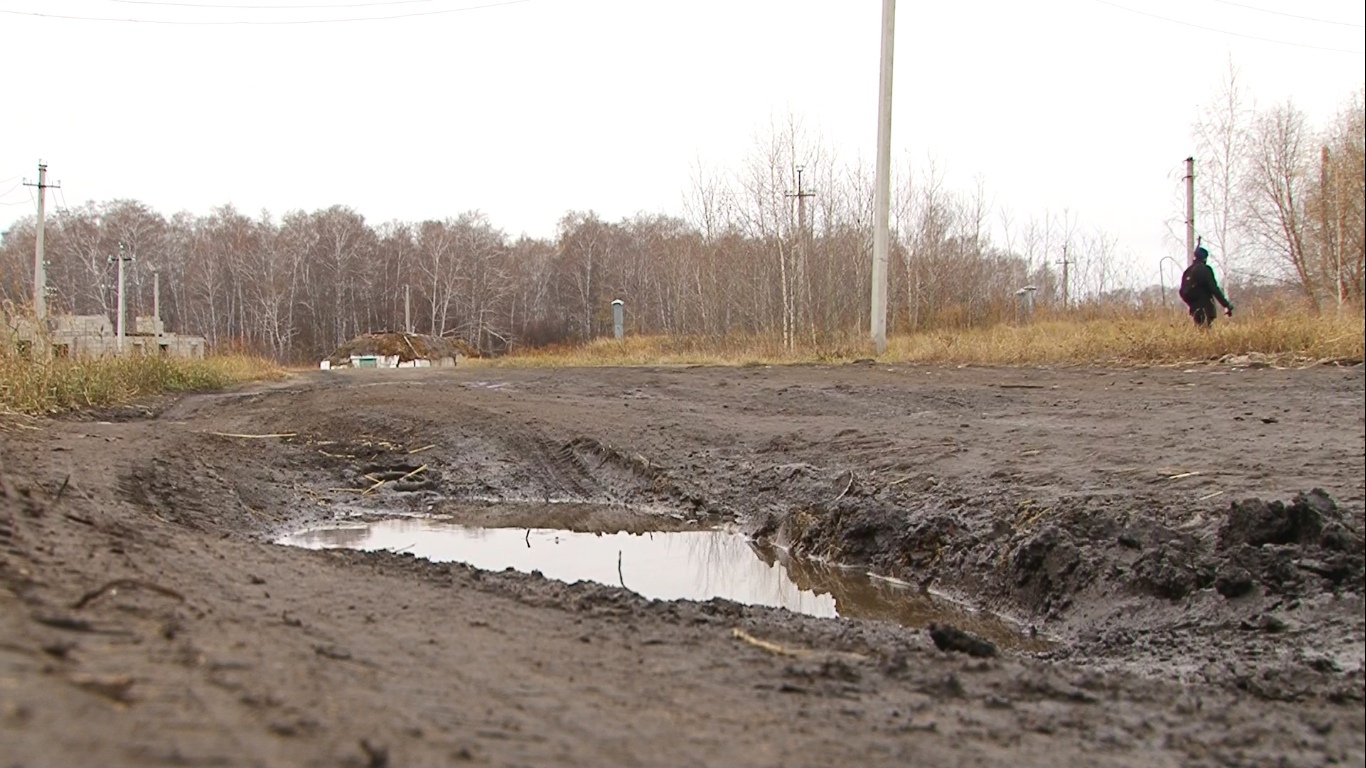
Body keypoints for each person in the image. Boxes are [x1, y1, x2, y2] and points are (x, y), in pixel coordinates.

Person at [1178, 246, 1233, 327]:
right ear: (1205, 258)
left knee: (1198, 331)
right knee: (1206, 331)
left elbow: (1182, 291)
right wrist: (1226, 304)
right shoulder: (1205, 270)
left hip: (1194, 310)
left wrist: (1191, 303)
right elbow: (1214, 289)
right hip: (1206, 309)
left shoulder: (1188, 271)